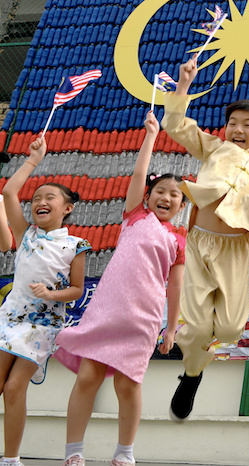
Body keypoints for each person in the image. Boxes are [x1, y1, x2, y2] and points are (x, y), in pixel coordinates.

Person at [54, 111, 186, 466]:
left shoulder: (178, 240)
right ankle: (73, 453)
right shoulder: (135, 217)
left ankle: (124, 453)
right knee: (87, 378)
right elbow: (140, 173)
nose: (167, 197)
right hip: (107, 310)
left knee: (128, 386)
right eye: (160, 191)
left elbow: (175, 285)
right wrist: (151, 136)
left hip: (142, 319)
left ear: (181, 206)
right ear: (147, 197)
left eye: (175, 195)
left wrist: (170, 327)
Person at [161, 56, 249, 422]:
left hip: (235, 252)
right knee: (194, 327)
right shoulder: (213, 147)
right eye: (233, 123)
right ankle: (191, 374)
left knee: (229, 329)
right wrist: (183, 85)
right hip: (199, 243)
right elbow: (176, 124)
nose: (238, 129)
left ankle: (197, 368)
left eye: (248, 124)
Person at [0, 136, 87, 466]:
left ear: (67, 208)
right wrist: (33, 160)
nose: (40, 200)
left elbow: (77, 289)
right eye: (36, 197)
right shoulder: (25, 234)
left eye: (50, 196)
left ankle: (10, 459)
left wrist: (51, 295)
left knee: (14, 388)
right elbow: (9, 192)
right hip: (9, 317)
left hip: (42, 324)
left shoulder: (76, 245)